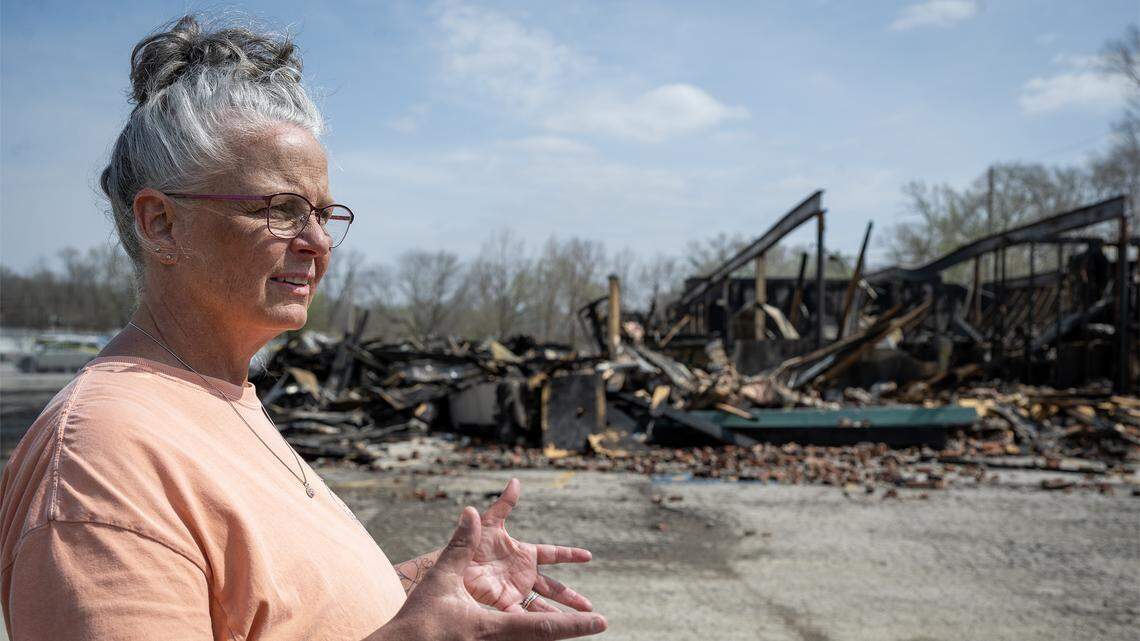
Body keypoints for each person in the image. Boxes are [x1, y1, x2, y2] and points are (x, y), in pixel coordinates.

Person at [0, 14, 607, 641]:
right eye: (281, 210)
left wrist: (416, 591)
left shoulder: (220, 397)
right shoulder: (102, 457)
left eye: (323, 213)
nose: (318, 242)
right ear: (161, 224)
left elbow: (270, 612)